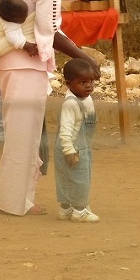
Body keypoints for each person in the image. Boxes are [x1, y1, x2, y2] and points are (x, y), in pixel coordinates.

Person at [0, 0, 101, 216]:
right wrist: (85, 57)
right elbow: (49, 31)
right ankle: (13, 201)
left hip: (7, 58)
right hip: (25, 62)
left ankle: (5, 195)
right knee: (24, 135)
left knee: (19, 132)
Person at [54, 58, 99, 223]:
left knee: (70, 177)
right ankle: (79, 210)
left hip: (83, 146)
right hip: (72, 147)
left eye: (91, 81)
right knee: (78, 179)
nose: (89, 85)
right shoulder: (70, 104)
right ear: (69, 83)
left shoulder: (86, 99)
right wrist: (69, 150)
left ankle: (66, 210)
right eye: (83, 82)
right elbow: (65, 130)